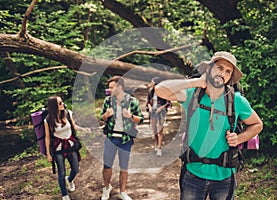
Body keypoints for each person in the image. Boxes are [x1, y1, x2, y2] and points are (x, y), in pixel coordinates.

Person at [155, 51, 263, 199]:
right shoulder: (192, 94)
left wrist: (239, 138)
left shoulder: (237, 101)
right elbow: (160, 89)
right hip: (192, 174)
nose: (222, 73)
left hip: (223, 177)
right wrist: (196, 82)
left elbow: (257, 124)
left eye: (228, 71)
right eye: (219, 68)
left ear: (230, 77)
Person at [100, 76, 144, 200]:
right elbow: (101, 118)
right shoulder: (108, 101)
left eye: (111, 88)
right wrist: (106, 115)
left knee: (124, 167)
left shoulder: (132, 102)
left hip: (125, 140)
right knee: (107, 166)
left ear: (120, 88)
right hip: (111, 138)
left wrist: (130, 116)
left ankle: (123, 192)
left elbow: (140, 120)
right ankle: (106, 187)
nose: (109, 90)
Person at [44, 96, 92, 200]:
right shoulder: (47, 120)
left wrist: (85, 129)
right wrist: (48, 153)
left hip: (70, 144)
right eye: (60, 103)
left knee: (75, 168)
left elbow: (74, 126)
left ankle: (69, 180)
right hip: (58, 147)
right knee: (61, 171)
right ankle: (64, 195)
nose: (63, 104)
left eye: (62, 102)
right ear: (54, 106)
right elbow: (47, 138)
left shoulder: (68, 113)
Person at [146, 77, 171, 156]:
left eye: (152, 82)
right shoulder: (151, 91)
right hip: (153, 112)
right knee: (154, 130)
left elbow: (168, 103)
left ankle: (159, 148)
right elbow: (148, 101)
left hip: (161, 113)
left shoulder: (164, 92)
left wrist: (161, 108)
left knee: (160, 130)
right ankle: (156, 143)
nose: (151, 83)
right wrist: (150, 107)